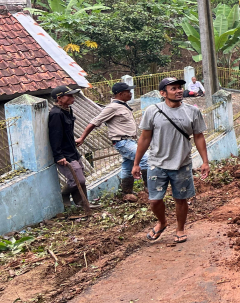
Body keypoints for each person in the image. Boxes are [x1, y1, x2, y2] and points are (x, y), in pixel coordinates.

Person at [133, 77, 210, 243]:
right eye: (173, 88)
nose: (179, 91)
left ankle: (180, 228)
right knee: (154, 200)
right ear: (163, 93)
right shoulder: (152, 111)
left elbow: (198, 136)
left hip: (181, 163)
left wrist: (205, 161)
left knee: (180, 199)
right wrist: (136, 163)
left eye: (179, 88)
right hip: (157, 163)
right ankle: (162, 222)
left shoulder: (192, 111)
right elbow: (144, 139)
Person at [76, 82, 149, 198]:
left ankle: (127, 193)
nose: (131, 94)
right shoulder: (112, 107)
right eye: (128, 92)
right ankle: (149, 188)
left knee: (127, 165)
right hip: (123, 142)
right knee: (145, 158)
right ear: (121, 94)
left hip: (129, 141)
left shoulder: (122, 105)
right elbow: (94, 122)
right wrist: (82, 138)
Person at [48, 85, 95, 209]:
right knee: (78, 180)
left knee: (81, 176)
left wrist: (73, 142)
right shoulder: (56, 114)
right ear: (59, 98)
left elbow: (66, 132)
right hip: (64, 154)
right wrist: (59, 155)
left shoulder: (67, 110)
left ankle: (84, 205)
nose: (73, 98)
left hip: (72, 150)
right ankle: (64, 194)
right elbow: (55, 136)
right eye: (69, 95)